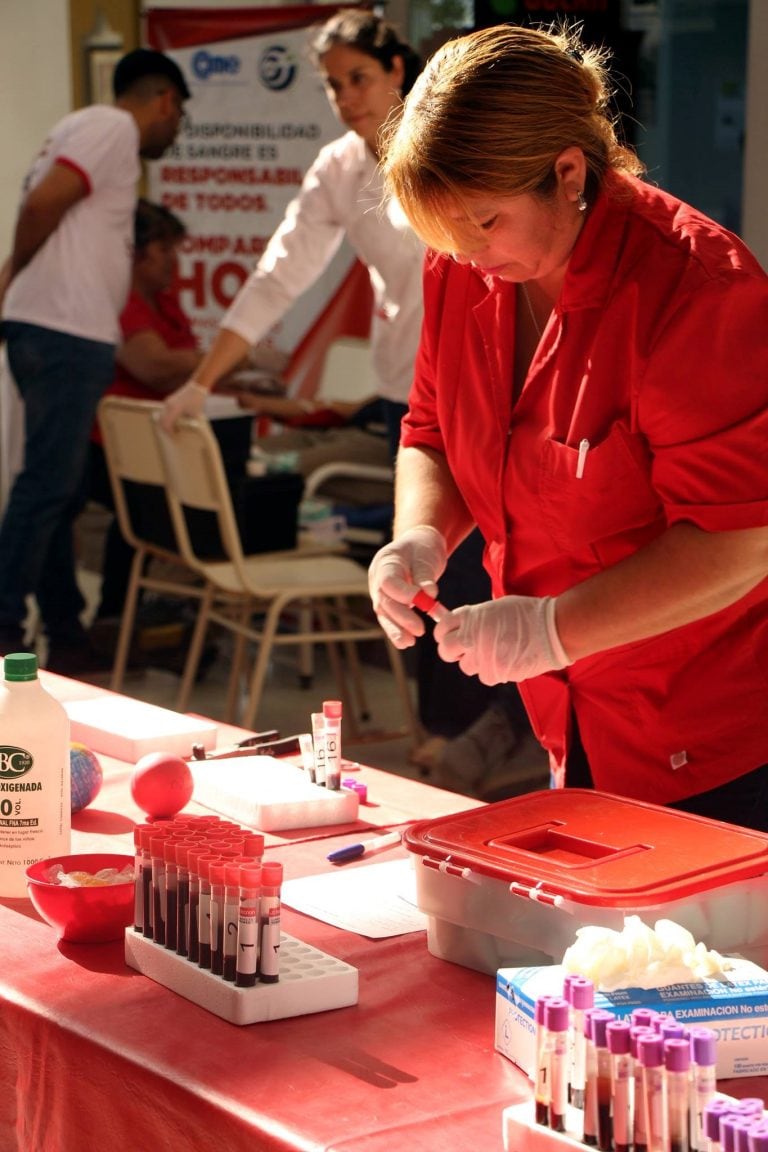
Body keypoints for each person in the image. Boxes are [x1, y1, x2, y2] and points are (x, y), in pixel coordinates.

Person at [368, 23, 768, 831]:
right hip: (570, 711)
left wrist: (552, 627)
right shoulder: (461, 258)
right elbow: (435, 427)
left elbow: (740, 540)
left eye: (485, 223)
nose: (466, 255)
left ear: (568, 172)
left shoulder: (696, 292)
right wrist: (420, 537)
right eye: (444, 232)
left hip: (716, 732)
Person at [0, 48, 189, 676]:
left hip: (56, 327)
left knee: (60, 489)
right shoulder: (112, 127)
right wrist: (9, 276)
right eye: (179, 113)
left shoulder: (85, 129)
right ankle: (2, 626)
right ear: (163, 99)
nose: (176, 127)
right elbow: (43, 204)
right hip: (64, 328)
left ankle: (65, 633)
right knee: (49, 486)